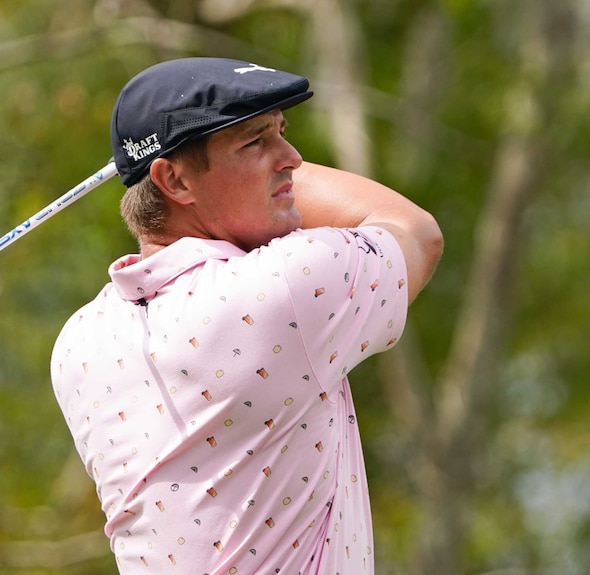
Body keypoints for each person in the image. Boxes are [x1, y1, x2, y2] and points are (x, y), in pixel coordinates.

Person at [50, 57, 443, 574]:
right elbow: (414, 231)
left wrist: (244, 172)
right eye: (256, 141)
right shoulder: (288, 286)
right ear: (175, 180)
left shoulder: (79, 341)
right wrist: (270, 187)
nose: (294, 159)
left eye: (282, 132)